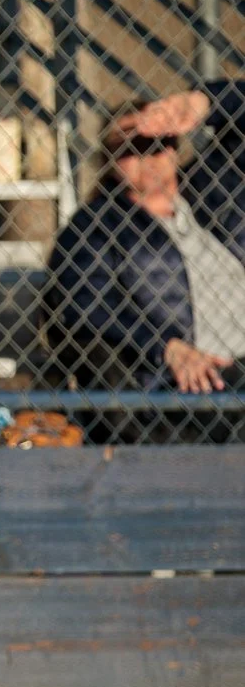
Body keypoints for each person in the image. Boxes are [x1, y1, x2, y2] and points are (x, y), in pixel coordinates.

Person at [45, 82, 245, 436]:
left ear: (175, 148)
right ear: (109, 160)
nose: (146, 155)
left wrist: (203, 102)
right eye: (130, 147)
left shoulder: (214, 192)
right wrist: (166, 347)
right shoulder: (97, 224)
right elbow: (86, 299)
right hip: (190, 378)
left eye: (157, 142)